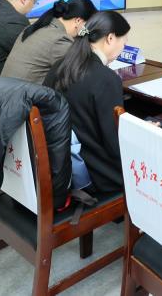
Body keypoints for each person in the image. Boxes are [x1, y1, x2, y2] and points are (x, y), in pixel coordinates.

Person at [44, 11, 130, 196]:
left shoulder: (60, 67)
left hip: (60, 164)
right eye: (124, 42)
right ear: (110, 38)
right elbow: (114, 144)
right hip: (94, 174)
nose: (123, 48)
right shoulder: (106, 79)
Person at [2, 0, 98, 84]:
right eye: (87, 26)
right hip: (23, 95)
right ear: (78, 21)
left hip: (5, 90)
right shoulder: (59, 40)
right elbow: (84, 74)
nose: (86, 31)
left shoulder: (36, 28)